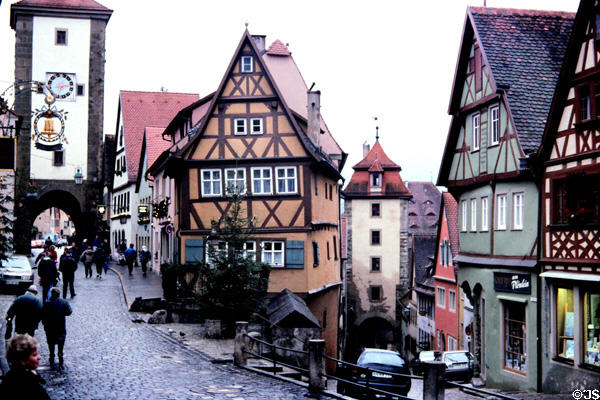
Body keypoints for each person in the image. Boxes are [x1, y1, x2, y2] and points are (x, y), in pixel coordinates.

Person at [0, 334, 51, 399]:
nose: (39, 357)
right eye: (34, 355)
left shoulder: (14, 376)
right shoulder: (26, 383)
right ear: (23, 359)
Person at [42, 288, 72, 370]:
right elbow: (69, 312)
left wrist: (44, 323)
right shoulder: (63, 302)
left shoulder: (47, 303)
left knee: (51, 342)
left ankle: (51, 356)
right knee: (60, 342)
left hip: (49, 326)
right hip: (60, 326)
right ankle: (60, 357)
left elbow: (43, 314)